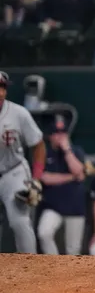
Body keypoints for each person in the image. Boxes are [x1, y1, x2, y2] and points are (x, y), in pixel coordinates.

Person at [0, 71, 45, 254]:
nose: (0, 92)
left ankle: (30, 269)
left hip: (14, 172)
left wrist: (36, 178)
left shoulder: (19, 113)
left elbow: (38, 145)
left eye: (2, 87)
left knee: (19, 221)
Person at [37, 118, 87, 255]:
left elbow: (79, 172)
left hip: (75, 207)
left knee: (73, 249)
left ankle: (70, 276)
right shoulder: (45, 153)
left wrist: (67, 150)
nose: (60, 136)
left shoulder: (76, 151)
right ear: (50, 136)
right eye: (56, 133)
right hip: (53, 206)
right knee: (44, 233)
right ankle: (54, 267)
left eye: (63, 133)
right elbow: (45, 178)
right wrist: (71, 177)